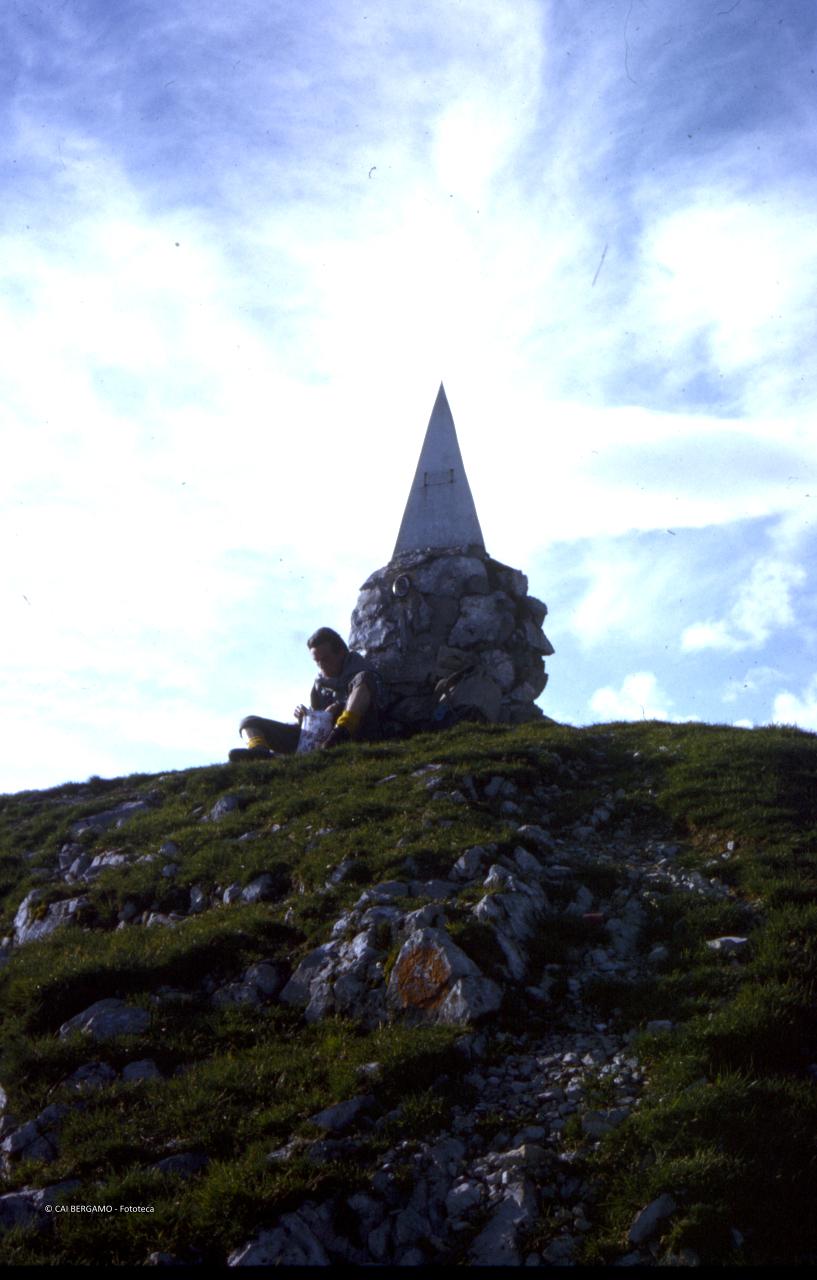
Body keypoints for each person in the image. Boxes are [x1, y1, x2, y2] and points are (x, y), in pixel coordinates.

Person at [228, 627, 385, 761]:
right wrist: (306, 718)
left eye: (326, 659)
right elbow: (316, 717)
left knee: (364, 678)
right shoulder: (319, 686)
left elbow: (376, 705)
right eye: (317, 662)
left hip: (356, 732)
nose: (321, 666)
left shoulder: (363, 674)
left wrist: (338, 711)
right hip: (319, 739)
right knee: (249, 723)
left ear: (341, 653)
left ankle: (341, 733)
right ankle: (260, 753)